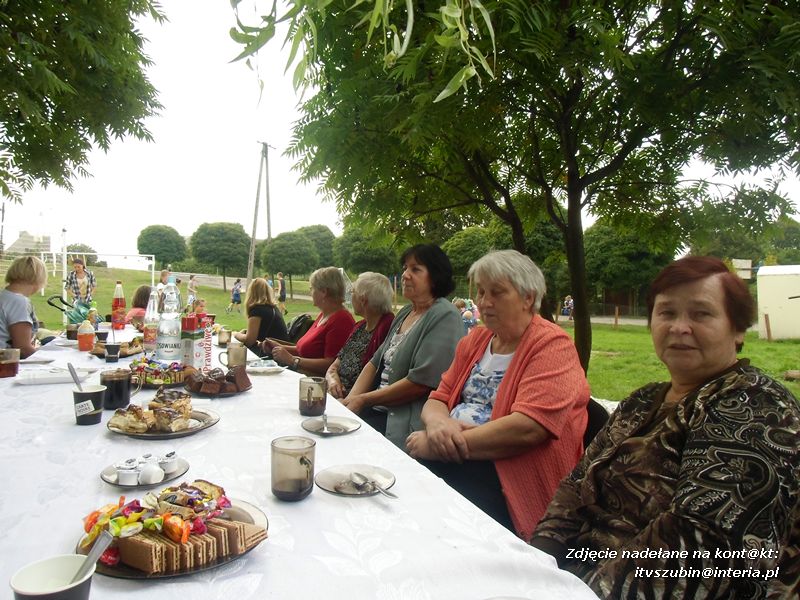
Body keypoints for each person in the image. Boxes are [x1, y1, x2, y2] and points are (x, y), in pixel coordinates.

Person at [531, 256, 800, 598]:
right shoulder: (643, 400)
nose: (679, 327)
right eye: (667, 313)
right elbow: (575, 485)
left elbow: (704, 548)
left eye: (701, 313)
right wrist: (538, 559)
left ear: (737, 330)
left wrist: (570, 590)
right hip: (569, 573)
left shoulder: (755, 405)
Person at [406, 250, 589, 538]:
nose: (484, 303)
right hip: (457, 460)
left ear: (528, 297)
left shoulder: (552, 345)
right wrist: (438, 425)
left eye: (497, 293)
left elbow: (528, 428)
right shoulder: (475, 340)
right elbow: (438, 398)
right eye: (480, 292)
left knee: (429, 526)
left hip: (509, 480)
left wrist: (436, 445)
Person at [341, 244, 464, 449]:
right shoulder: (406, 312)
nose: (405, 274)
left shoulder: (445, 315)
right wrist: (350, 402)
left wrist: (363, 400)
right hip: (376, 410)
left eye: (415, 269)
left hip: (403, 424)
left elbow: (420, 383)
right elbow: (374, 362)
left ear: (435, 276)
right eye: (406, 268)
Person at [263, 267, 355, 376]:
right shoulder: (324, 314)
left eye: (312, 288)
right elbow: (304, 350)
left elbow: (331, 364)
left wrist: (292, 360)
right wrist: (278, 347)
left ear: (324, 292)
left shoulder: (341, 320)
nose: (310, 292)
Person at [325, 272, 395, 399]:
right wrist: (333, 380)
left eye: (352, 291)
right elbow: (334, 365)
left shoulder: (387, 328)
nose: (350, 295)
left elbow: (373, 379)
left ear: (363, 300)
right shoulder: (360, 327)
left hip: (353, 402)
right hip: (334, 394)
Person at [0, 256, 47, 358]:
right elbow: (23, 348)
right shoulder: (19, 302)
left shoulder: (4, 296)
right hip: (6, 365)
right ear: (38, 277)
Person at [235, 278, 288, 356]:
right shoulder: (272, 308)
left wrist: (236, 334)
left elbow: (250, 341)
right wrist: (247, 332)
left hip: (273, 354)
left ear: (251, 292)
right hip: (279, 351)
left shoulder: (257, 310)